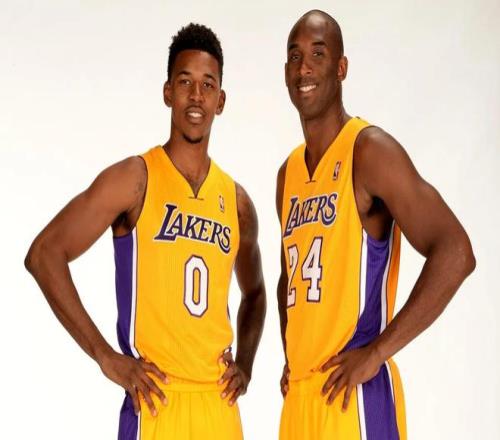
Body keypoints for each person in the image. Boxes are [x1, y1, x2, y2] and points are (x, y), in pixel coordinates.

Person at [25, 23, 266, 440]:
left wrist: (244, 363)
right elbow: (44, 254)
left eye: (207, 85)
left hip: (219, 411)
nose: (196, 95)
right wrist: (105, 356)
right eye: (185, 82)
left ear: (221, 100)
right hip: (155, 403)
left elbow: (256, 293)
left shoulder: (237, 202)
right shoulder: (135, 179)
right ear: (168, 92)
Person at [276, 10, 475, 440]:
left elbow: (456, 252)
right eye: (294, 56)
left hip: (355, 399)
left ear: (341, 68)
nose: (304, 68)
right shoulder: (287, 174)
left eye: (318, 54)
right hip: (300, 402)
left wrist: (378, 352)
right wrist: (292, 354)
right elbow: (289, 274)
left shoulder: (369, 151)